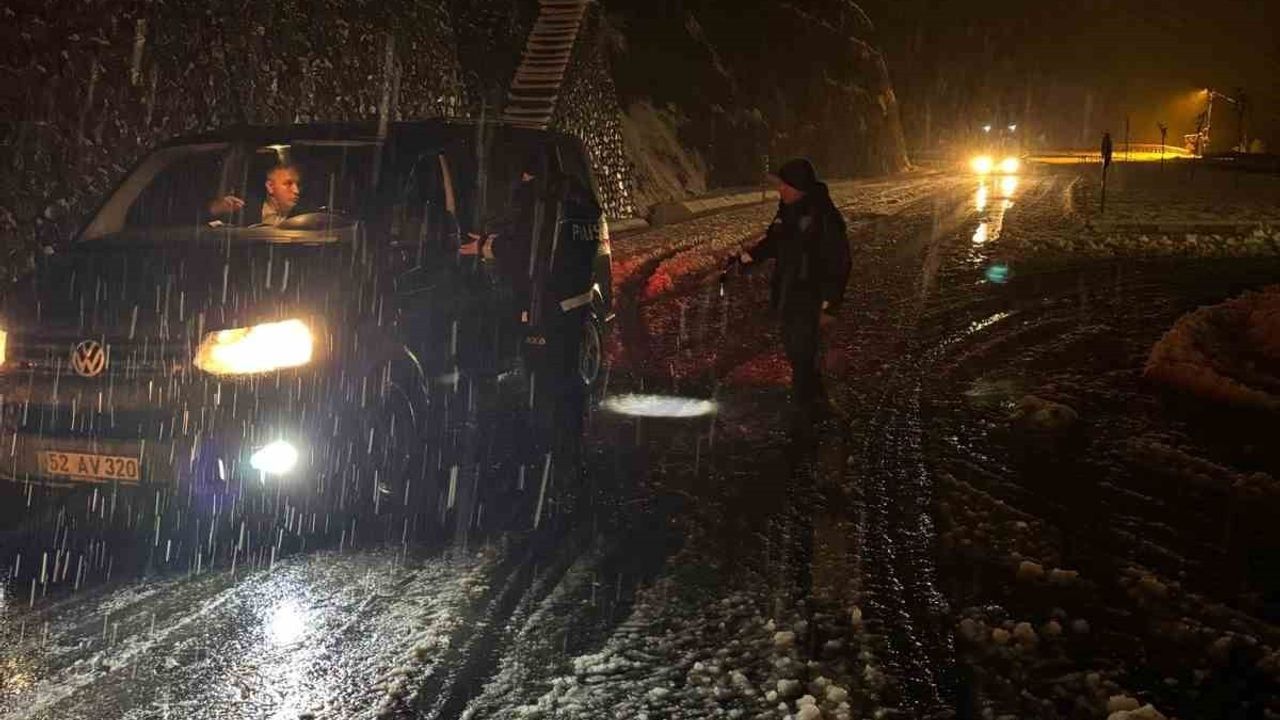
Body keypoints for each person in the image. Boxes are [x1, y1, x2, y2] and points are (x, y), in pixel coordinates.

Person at [738, 158, 850, 418]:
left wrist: (830, 303)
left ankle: (808, 407)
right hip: (789, 291)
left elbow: (839, 262)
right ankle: (813, 399)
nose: (780, 190)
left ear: (799, 187)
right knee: (796, 347)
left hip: (810, 294)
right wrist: (748, 258)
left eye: (784, 186)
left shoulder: (823, 216)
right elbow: (774, 241)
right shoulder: (787, 211)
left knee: (803, 349)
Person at [208, 163, 302, 226]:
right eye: (288, 184)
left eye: (297, 185)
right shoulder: (240, 211)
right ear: (270, 186)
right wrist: (216, 209)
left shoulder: (307, 217)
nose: (296, 191)